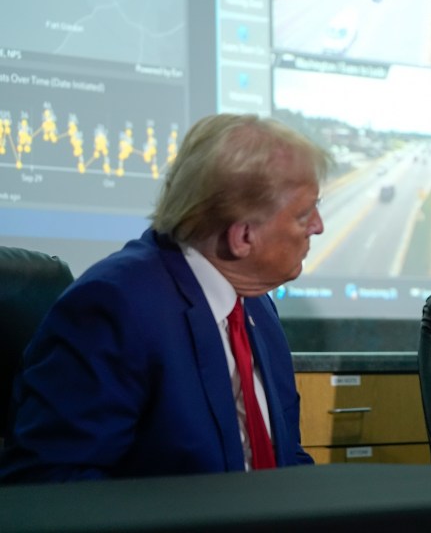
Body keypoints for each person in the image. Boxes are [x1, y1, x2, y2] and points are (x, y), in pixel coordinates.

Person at [0, 113, 330, 482]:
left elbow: (286, 456)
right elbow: (54, 488)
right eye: (304, 214)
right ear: (243, 237)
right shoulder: (114, 306)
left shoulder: (256, 303)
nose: (318, 225)